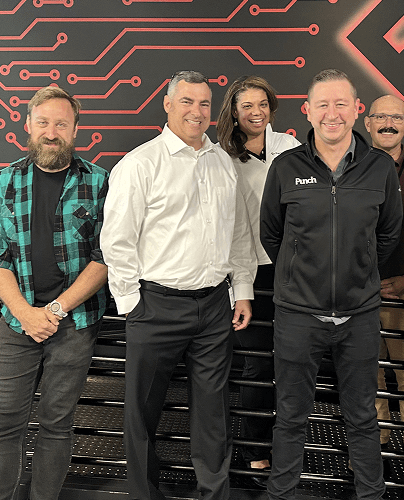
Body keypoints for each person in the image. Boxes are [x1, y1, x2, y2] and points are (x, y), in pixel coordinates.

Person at [101, 70, 256, 500]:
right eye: (187, 101)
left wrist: (241, 288)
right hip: (155, 306)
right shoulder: (140, 163)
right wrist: (133, 303)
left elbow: (239, 231)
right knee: (142, 414)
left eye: (205, 103)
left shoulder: (222, 161)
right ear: (167, 105)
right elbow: (116, 239)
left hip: (213, 307)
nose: (197, 111)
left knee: (214, 414)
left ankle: (214, 495)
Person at [260, 69, 403, 500]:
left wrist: (355, 273)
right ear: (308, 110)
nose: (332, 113)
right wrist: (305, 272)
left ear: (358, 110)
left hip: (358, 315)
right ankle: (281, 494)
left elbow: (389, 235)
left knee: (361, 415)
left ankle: (370, 495)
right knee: (290, 415)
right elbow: (271, 234)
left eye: (342, 104)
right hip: (298, 315)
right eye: (323, 104)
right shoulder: (286, 167)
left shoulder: (380, 167)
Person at [0, 86, 109, 500]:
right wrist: (24, 312)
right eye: (43, 122)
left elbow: (105, 256)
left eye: (61, 124)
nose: (51, 132)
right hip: (16, 325)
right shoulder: (6, 179)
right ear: (28, 125)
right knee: (5, 425)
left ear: (75, 129)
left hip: (74, 323)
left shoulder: (99, 181)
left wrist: (53, 310)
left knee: (57, 424)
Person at [216, 75, 300, 487]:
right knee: (256, 365)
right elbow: (233, 231)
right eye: (247, 105)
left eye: (262, 104)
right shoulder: (221, 157)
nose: (255, 112)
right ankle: (254, 450)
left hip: (297, 269)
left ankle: (288, 445)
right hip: (249, 271)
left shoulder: (291, 147)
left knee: (292, 363)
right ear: (233, 109)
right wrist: (242, 288)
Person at [363, 94, 404, 482]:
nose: (388, 123)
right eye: (380, 116)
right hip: (360, 295)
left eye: (396, 117)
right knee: (365, 377)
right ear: (367, 123)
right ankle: (375, 452)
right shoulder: (350, 167)